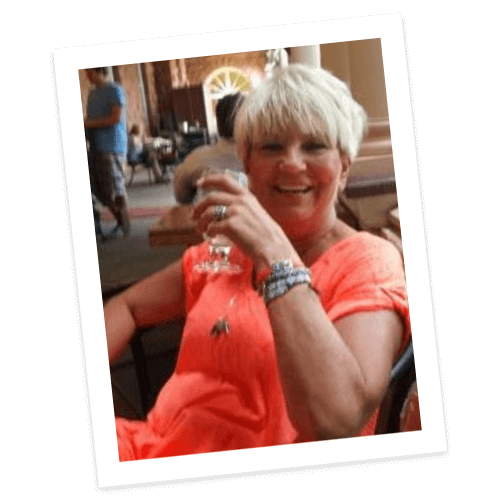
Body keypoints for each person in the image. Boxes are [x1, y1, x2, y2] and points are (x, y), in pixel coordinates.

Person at [106, 64, 412, 461]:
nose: (292, 163)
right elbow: (127, 306)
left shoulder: (369, 262)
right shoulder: (223, 253)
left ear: (344, 168)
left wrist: (274, 253)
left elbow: (335, 422)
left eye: (314, 146)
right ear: (247, 164)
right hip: (151, 446)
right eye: (271, 147)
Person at [173, 92, 245, 203]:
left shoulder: (197, 158)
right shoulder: (267, 159)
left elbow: (181, 196)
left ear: (218, 123)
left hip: (213, 212)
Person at [85, 67, 130, 237]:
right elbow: (89, 118)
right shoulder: (92, 94)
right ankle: (119, 218)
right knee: (100, 189)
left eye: (90, 73)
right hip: (96, 146)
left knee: (114, 187)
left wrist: (88, 124)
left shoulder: (114, 90)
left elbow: (115, 118)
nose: (88, 77)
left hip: (112, 146)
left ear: (100, 72)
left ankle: (124, 224)